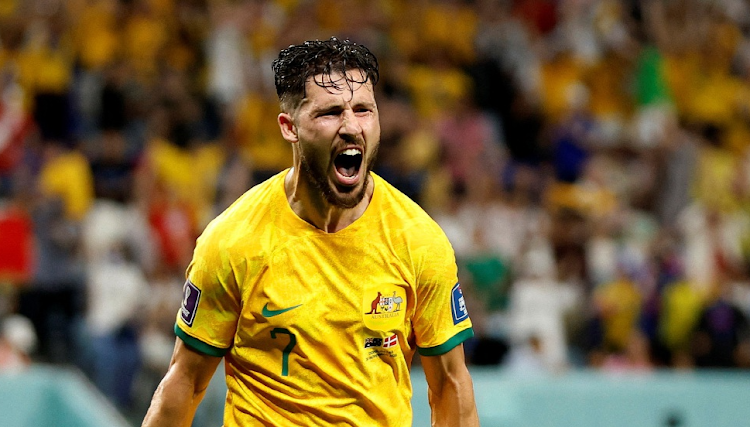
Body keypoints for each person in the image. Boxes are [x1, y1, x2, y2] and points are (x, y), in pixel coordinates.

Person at [142, 37, 480, 427]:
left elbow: (451, 384)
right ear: (290, 128)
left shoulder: (418, 240)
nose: (351, 126)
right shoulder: (233, 240)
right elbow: (185, 381)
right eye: (330, 113)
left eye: (363, 110)